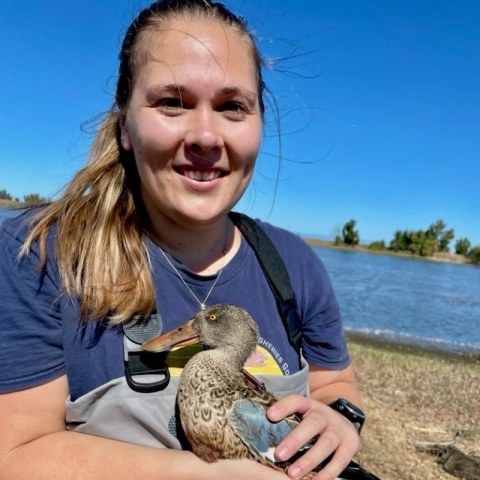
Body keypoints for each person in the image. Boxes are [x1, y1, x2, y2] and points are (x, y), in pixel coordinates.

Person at [0, 1, 363, 479]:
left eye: (233, 106)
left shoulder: (293, 263)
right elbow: (14, 457)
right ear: (125, 121)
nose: (206, 137)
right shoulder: (39, 254)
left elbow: (333, 382)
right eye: (172, 101)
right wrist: (206, 475)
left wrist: (341, 418)